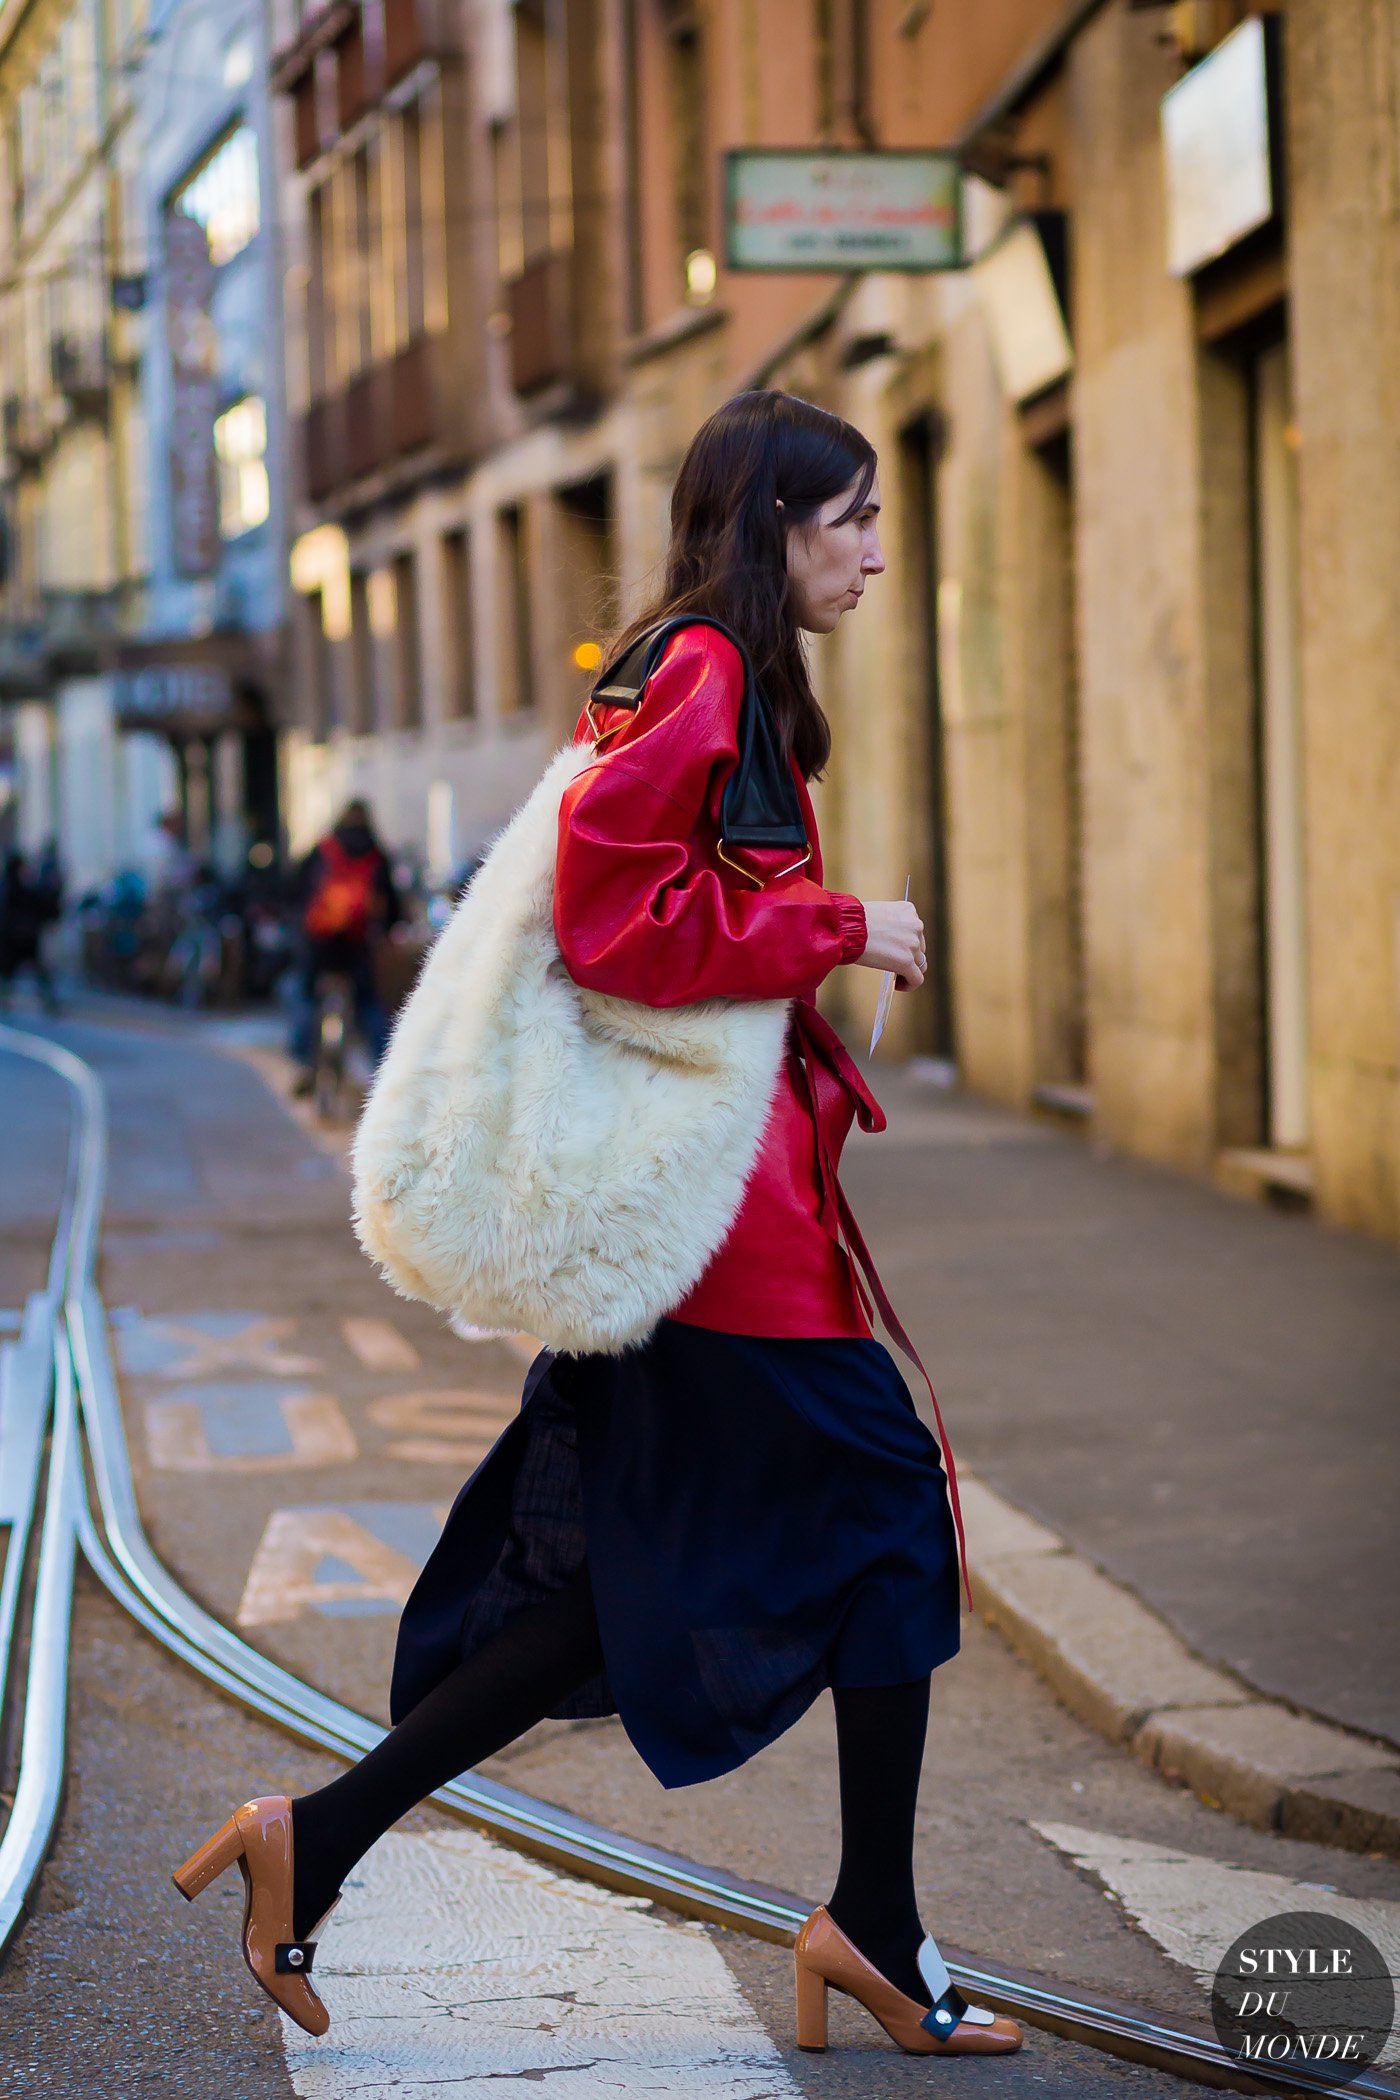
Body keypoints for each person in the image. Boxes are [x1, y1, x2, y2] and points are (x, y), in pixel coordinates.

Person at [173, 392, 1023, 2060]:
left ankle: (316, 1840)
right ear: (770, 521)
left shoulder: (713, 674)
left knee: (607, 1597)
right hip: (727, 1246)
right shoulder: (708, 670)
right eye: (845, 515)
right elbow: (616, 922)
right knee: (895, 1522)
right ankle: (874, 1921)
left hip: (718, 1225)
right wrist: (848, 925)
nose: (870, 544)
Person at [289, 798, 400, 1093]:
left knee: (305, 995)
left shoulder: (324, 849)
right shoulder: (376, 855)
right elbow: (392, 906)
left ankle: (304, 1063)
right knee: (368, 1003)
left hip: (319, 941)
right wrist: (386, 930)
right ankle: (385, 1072)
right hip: (357, 942)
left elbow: (298, 890)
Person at [0, 846, 61, 1012]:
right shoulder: (24, 889)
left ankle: (48, 1002)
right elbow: (48, 908)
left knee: (11, 974)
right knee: (37, 973)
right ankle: (49, 1002)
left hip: (14, 939)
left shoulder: (9, 889)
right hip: (24, 938)